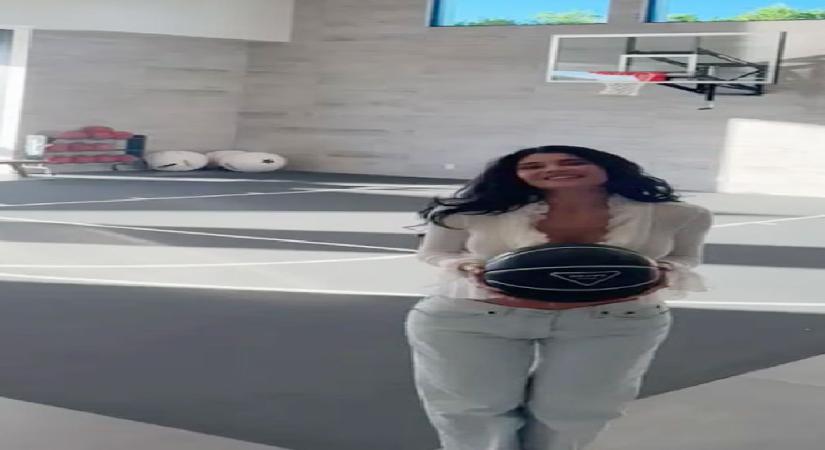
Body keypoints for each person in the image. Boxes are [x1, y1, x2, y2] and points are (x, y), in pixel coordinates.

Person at [404, 145, 712, 450]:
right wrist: (468, 266)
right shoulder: (466, 213)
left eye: (570, 161)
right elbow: (434, 252)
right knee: (474, 412)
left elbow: (685, 257)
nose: (552, 169)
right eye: (533, 166)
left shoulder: (682, 215)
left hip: (614, 320)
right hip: (472, 317)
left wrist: (664, 271)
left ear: (606, 166)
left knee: (575, 413)